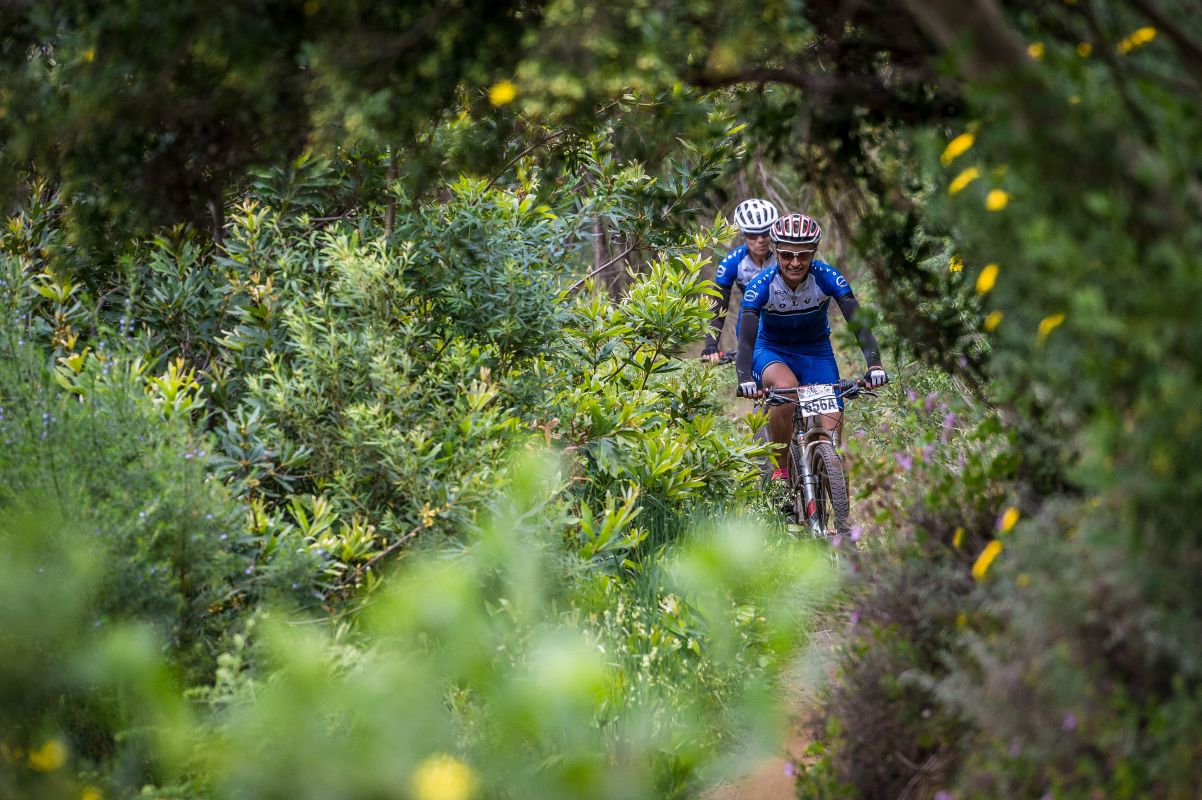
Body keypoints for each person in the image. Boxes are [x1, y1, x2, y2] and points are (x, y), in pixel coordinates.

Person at [734, 212, 889, 479]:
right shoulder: (760, 286)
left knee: (832, 439)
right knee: (785, 389)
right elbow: (746, 341)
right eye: (787, 255)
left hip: (815, 352)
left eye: (803, 256)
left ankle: (833, 489)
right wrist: (745, 378)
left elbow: (859, 324)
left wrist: (874, 365)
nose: (795, 263)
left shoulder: (827, 277)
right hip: (771, 350)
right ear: (776, 252)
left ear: (813, 253)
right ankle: (781, 472)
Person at [702, 198, 779, 361]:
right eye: (752, 235)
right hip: (752, 319)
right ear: (743, 235)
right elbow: (718, 307)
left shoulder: (784, 257)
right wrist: (711, 345)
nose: (760, 240)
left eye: (765, 233)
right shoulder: (732, 262)